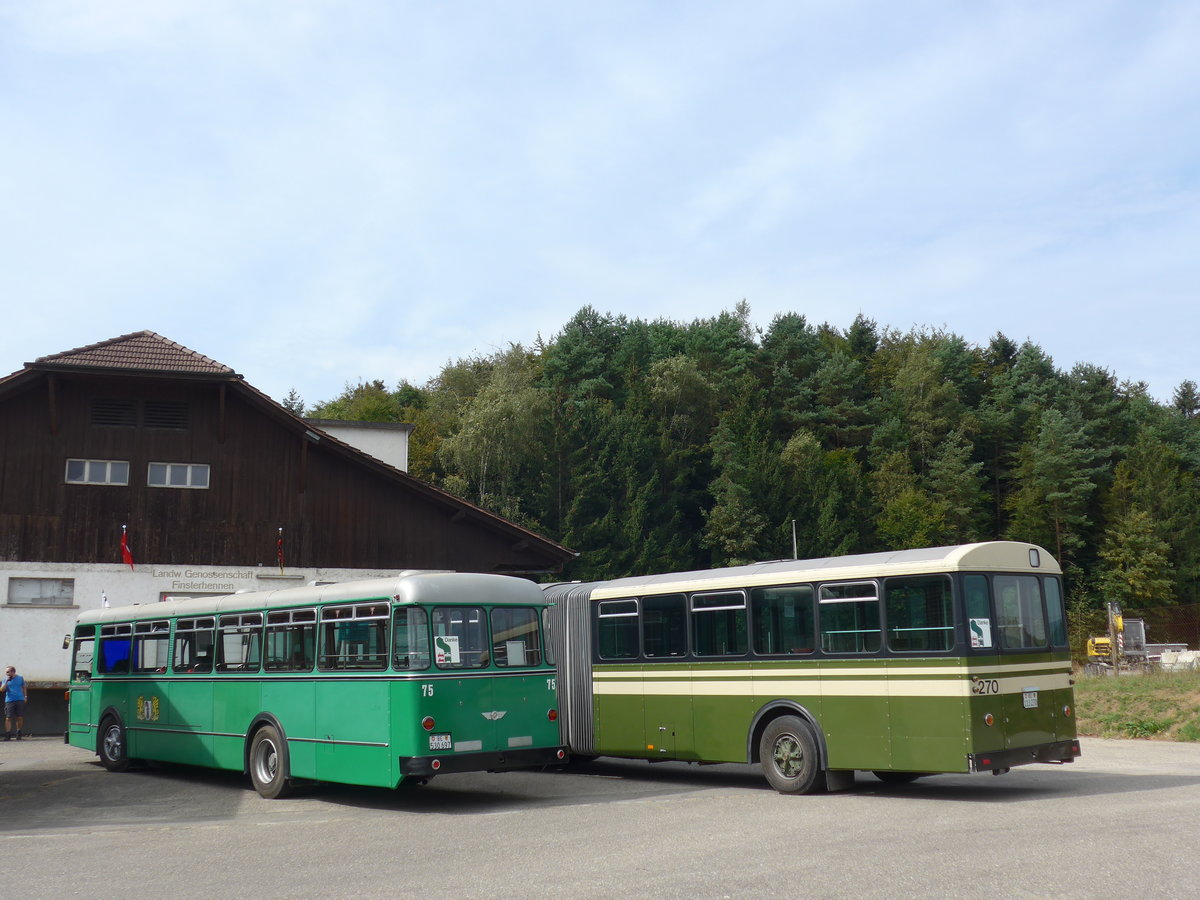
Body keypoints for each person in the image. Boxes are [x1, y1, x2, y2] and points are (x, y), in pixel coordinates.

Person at [2, 665, 27, 740]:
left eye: (8, 672)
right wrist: (6, 681)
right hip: (9, 700)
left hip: (20, 699)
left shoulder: (20, 678)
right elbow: (2, 690)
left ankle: (18, 732)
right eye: (6, 672)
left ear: (13, 672)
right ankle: (8, 734)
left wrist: (25, 696)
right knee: (8, 717)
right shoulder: (5, 679)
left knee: (19, 717)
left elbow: (24, 687)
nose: (6, 673)